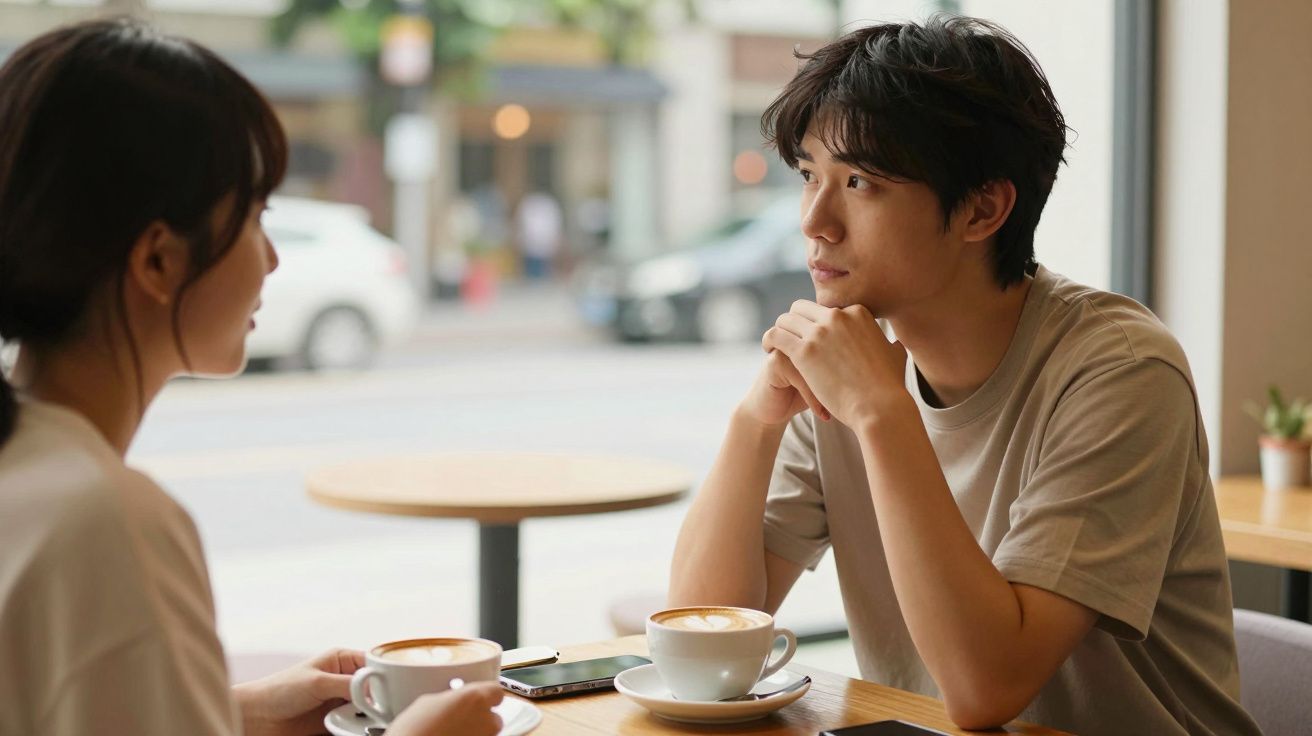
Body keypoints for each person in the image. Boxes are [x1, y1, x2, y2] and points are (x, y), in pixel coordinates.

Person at [668, 16, 1261, 736]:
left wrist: (884, 414)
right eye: (808, 177)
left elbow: (988, 687)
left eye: (859, 181)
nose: (815, 221)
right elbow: (702, 653)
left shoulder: (1121, 372)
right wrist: (756, 420)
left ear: (983, 208)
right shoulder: (846, 370)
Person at [0, 19, 502, 736]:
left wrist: (242, 711)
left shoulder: (30, 467)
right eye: (255, 216)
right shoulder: (107, 523)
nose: (270, 259)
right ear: (158, 262)